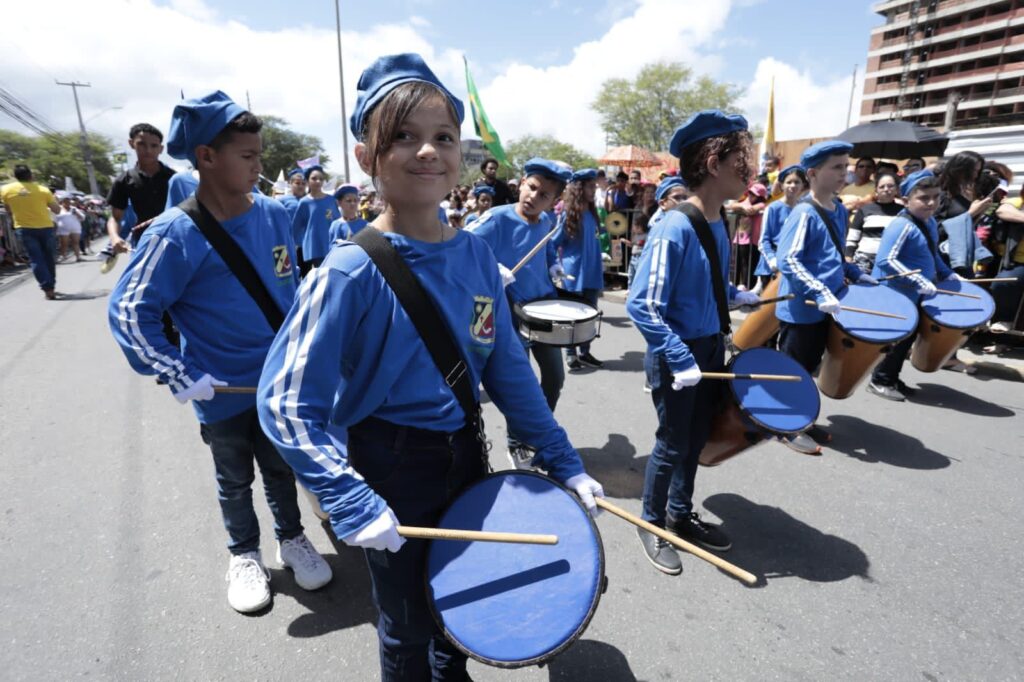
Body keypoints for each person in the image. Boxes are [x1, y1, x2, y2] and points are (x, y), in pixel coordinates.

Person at [256, 53, 603, 682]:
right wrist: (348, 497)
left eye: (443, 137)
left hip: (466, 453)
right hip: (390, 466)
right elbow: (284, 400)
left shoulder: (475, 255)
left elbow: (509, 373)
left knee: (464, 602)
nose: (427, 152)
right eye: (405, 137)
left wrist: (564, 461)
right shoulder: (347, 271)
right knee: (407, 625)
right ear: (366, 158)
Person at [107, 91, 332, 615]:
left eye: (259, 155)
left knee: (280, 468)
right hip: (219, 387)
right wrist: (178, 371)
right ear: (206, 157)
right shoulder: (172, 233)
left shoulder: (276, 214)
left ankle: (292, 538)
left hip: (277, 384)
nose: (259, 168)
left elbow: (290, 288)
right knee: (234, 477)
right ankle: (244, 554)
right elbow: (128, 313)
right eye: (248, 157)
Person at [626, 110, 761, 575]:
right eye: (741, 158)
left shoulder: (718, 220)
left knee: (697, 436)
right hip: (677, 354)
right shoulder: (674, 227)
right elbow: (642, 304)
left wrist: (736, 296)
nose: (750, 169)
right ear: (712, 161)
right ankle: (652, 521)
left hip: (708, 348)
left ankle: (680, 515)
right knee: (673, 441)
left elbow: (708, 285)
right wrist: (680, 356)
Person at [467, 157, 572, 470]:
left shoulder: (547, 223)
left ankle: (538, 433)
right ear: (522, 183)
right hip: (508, 313)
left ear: (554, 201)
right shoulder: (495, 218)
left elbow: (547, 247)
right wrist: (492, 270)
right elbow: (463, 247)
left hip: (542, 309)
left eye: (544, 195)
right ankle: (516, 444)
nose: (533, 197)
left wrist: (553, 264)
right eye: (532, 188)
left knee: (554, 376)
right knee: (520, 383)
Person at [775, 140, 876, 454]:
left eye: (845, 166)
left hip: (827, 307)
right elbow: (788, 260)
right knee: (794, 370)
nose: (843, 173)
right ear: (813, 173)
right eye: (836, 167)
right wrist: (819, 290)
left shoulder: (841, 211)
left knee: (810, 367)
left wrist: (857, 273)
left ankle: (802, 418)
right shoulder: (805, 212)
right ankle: (785, 426)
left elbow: (835, 257)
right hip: (801, 308)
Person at [867, 170, 959, 400]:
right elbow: (885, 260)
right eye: (924, 198)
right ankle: (879, 381)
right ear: (906, 200)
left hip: (914, 295)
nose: (931, 203)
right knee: (895, 340)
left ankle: (892, 378)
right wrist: (917, 279)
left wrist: (948, 274)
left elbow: (932, 254)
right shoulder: (901, 225)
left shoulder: (929, 222)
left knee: (906, 339)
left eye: (936, 197)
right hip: (896, 295)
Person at [101, 123, 176, 271]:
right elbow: (115, 217)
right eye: (142, 144)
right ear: (131, 144)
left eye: (154, 146)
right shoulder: (123, 180)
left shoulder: (174, 178)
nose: (148, 150)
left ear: (161, 149)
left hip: (174, 239)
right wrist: (115, 238)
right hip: (143, 240)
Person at [551, 168, 605, 370]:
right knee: (574, 315)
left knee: (590, 315)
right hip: (574, 273)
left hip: (591, 272)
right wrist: (555, 265)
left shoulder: (592, 213)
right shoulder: (568, 214)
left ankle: (585, 351)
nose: (594, 190)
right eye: (591, 186)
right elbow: (553, 242)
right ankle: (571, 354)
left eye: (594, 186)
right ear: (580, 188)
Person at [1, 164, 60, 299]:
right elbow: (57, 210)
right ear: (30, 176)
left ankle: (47, 289)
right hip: (45, 228)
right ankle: (51, 285)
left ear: (16, 177)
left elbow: (8, 209)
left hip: (24, 229)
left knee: (36, 259)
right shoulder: (43, 190)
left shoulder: (6, 190)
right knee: (49, 258)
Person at [755, 164, 806, 291]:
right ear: (782, 185)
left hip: (793, 266)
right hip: (772, 266)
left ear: (802, 185)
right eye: (789, 182)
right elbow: (763, 241)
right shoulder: (773, 208)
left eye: (797, 182)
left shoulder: (804, 209)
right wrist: (772, 260)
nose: (793, 186)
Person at [845, 172, 902, 273]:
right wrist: (848, 258)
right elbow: (852, 238)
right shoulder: (864, 210)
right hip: (864, 262)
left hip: (893, 263)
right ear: (876, 190)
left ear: (897, 189)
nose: (886, 189)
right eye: (882, 187)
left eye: (890, 186)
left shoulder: (903, 213)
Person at [291, 165, 340, 274]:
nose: (318, 181)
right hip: (311, 246)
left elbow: (337, 222)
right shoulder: (304, 202)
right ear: (307, 180)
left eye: (321, 179)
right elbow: (296, 226)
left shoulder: (331, 200)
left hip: (329, 244)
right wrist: (293, 245)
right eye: (314, 178)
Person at [55, 195, 84, 262]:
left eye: (69, 202)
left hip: (75, 228)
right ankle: (62, 256)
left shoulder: (74, 209)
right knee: (64, 243)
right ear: (62, 202)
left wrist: (77, 213)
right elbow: (55, 218)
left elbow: (83, 218)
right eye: (66, 201)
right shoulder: (59, 209)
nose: (68, 203)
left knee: (76, 242)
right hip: (63, 229)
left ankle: (78, 257)